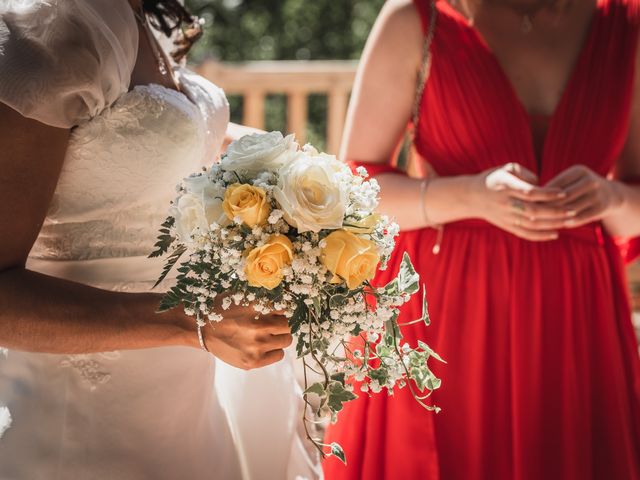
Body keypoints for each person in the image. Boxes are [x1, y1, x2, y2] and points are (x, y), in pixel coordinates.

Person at [0, 1, 318, 478]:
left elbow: (156, 140)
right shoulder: (54, 25)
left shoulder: (140, 17)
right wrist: (191, 323)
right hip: (82, 425)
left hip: (186, 407)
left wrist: (296, 174)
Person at [324, 0, 640, 478]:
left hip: (576, 319)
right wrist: (472, 195)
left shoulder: (627, 25)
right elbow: (356, 195)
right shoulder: (416, 18)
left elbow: (633, 203)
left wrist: (611, 198)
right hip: (445, 318)